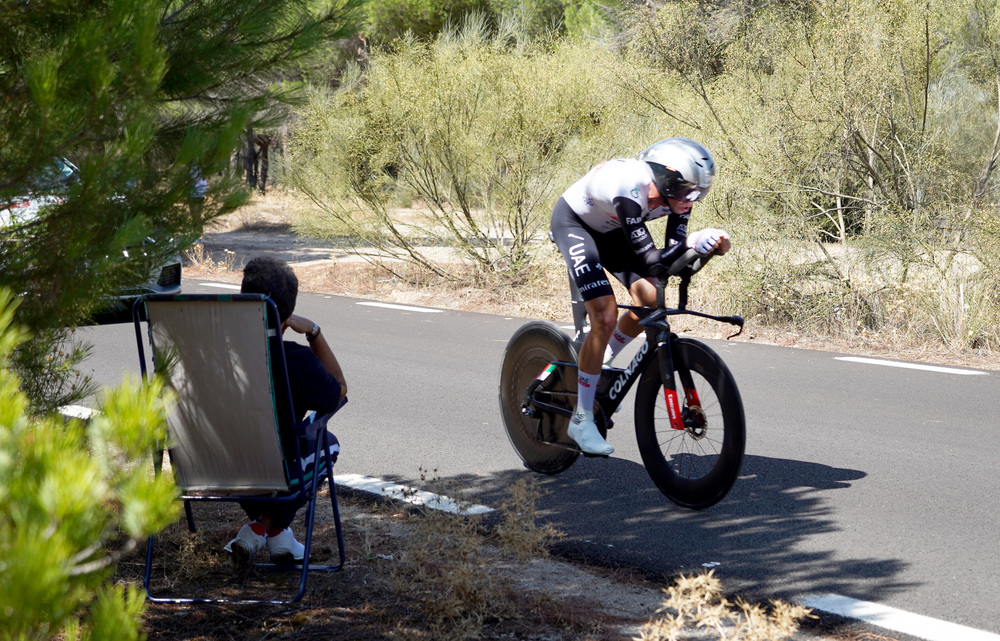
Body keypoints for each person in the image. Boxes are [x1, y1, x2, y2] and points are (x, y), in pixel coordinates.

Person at [549, 138, 730, 456]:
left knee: (648, 297)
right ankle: (581, 419)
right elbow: (650, 260)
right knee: (604, 316)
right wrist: (691, 244)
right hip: (576, 224)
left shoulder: (678, 199)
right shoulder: (630, 188)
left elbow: (669, 263)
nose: (693, 200)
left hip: (612, 230)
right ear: (667, 180)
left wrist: (708, 250)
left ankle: (603, 357)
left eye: (699, 193)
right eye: (689, 191)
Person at [224, 255, 349, 564]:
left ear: (245, 300)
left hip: (215, 464)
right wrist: (314, 332)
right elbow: (339, 391)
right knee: (327, 444)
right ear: (288, 313)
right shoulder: (292, 359)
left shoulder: (213, 351)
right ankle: (267, 527)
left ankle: (273, 535)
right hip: (272, 471)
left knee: (268, 461)